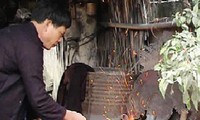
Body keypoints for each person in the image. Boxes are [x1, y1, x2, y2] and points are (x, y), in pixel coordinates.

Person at [0, 0, 86, 120]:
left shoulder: (18, 35)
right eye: (60, 34)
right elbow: (38, 98)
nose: (60, 40)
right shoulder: (28, 45)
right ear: (48, 24)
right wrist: (68, 115)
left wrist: (35, 115)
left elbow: (28, 88)